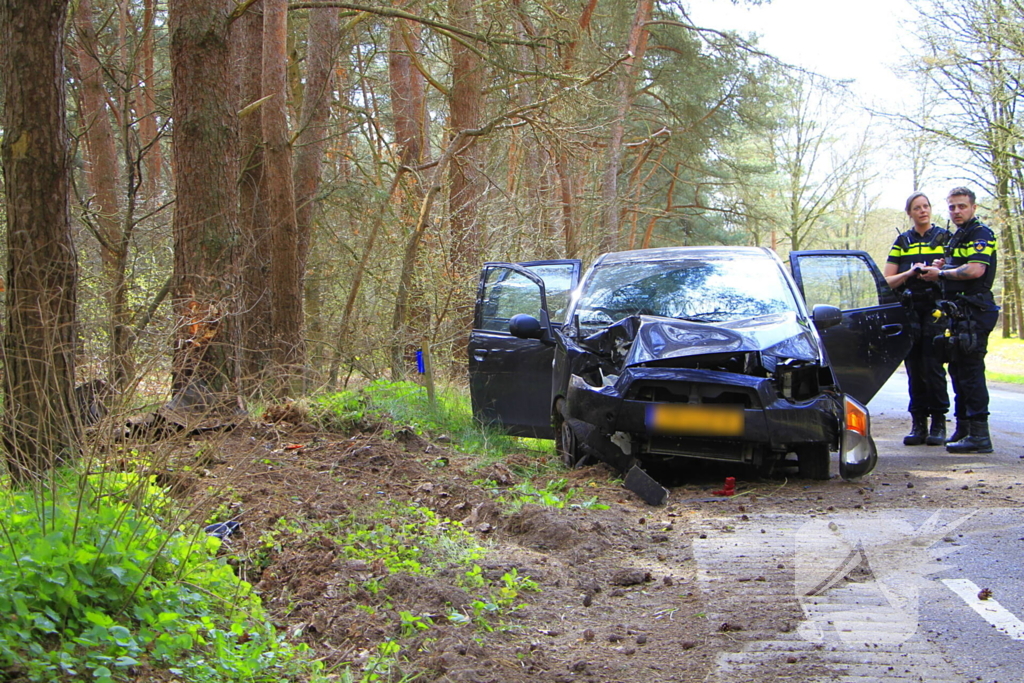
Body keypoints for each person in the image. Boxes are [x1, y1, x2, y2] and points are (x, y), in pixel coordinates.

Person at [919, 187, 999, 453]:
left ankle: (980, 435)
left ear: (973, 207)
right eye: (952, 207)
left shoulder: (980, 233)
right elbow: (958, 266)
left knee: (971, 371)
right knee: (958, 370)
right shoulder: (959, 236)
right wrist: (943, 267)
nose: (956, 211)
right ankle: (964, 428)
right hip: (958, 312)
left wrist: (941, 274)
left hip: (975, 311)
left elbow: (975, 269)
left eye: (962, 206)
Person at [884, 192, 951, 446]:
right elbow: (887, 281)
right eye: (917, 207)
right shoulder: (902, 241)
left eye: (926, 206)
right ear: (909, 213)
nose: (922, 211)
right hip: (910, 310)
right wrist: (909, 273)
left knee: (933, 366)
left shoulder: (945, 238)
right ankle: (918, 424)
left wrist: (941, 270)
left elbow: (958, 272)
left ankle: (939, 424)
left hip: (936, 310)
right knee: (913, 367)